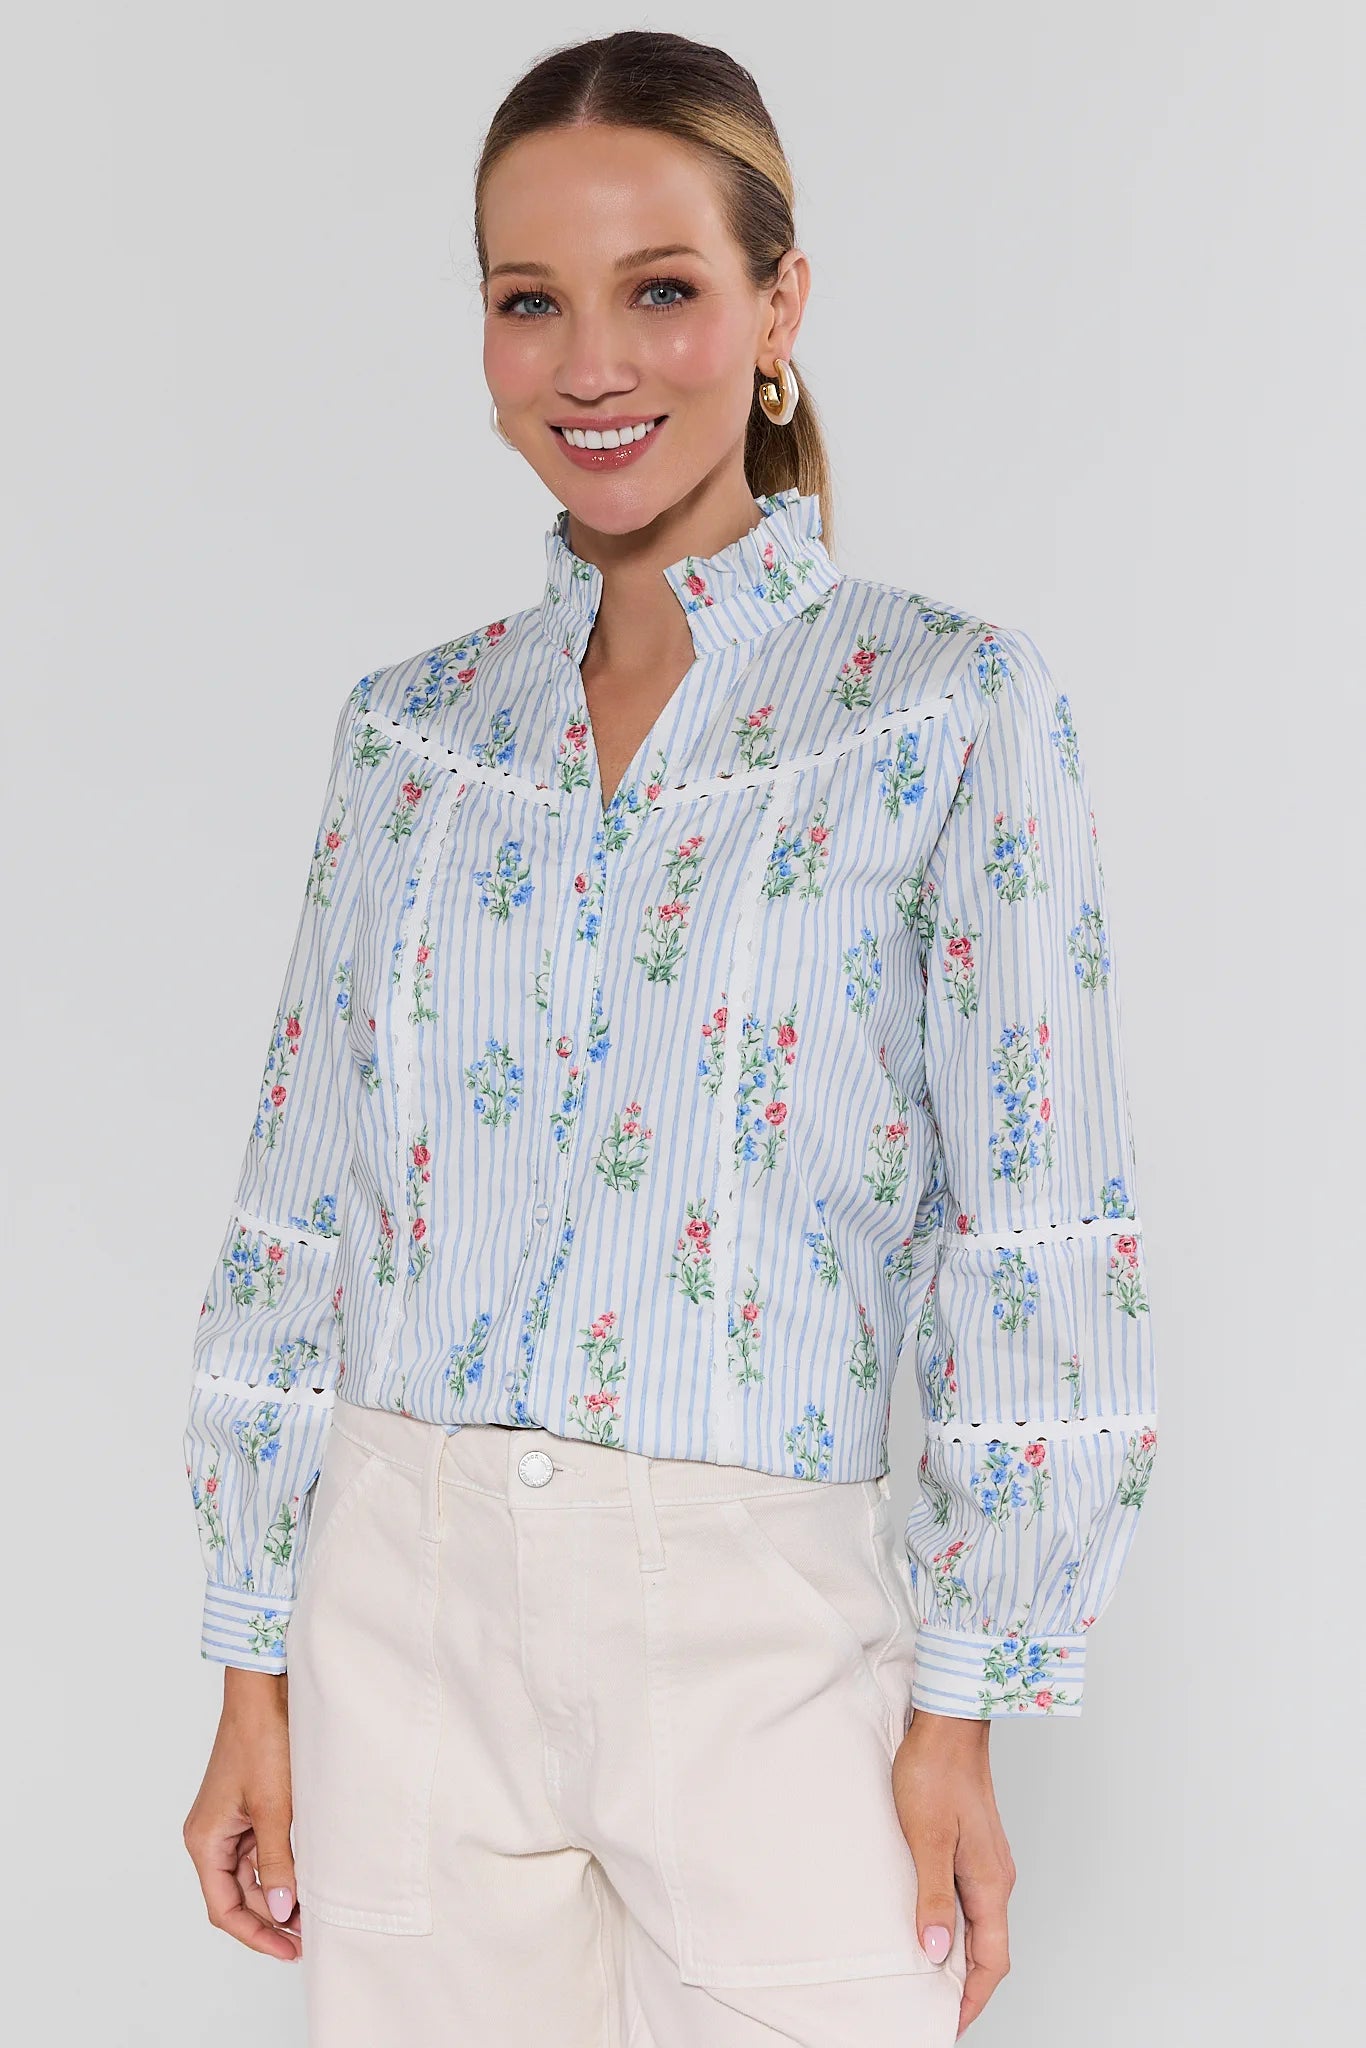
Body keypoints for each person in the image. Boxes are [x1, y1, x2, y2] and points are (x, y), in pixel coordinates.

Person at [180, 28, 1158, 2048]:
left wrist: (960, 1703)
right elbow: (294, 1217)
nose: (591, 366)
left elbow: (1034, 1224)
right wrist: (251, 1662)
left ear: (776, 306)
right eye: (529, 299)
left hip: (760, 1631)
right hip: (400, 1608)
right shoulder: (410, 738)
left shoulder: (942, 707)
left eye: (662, 290)